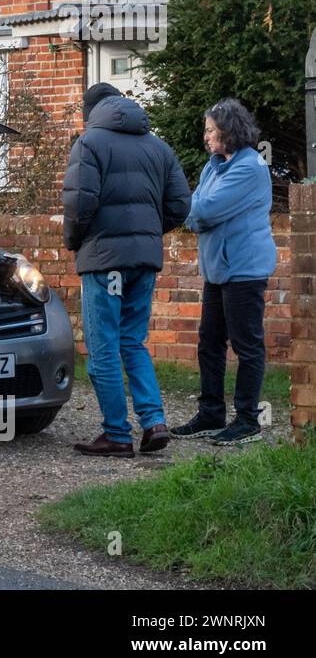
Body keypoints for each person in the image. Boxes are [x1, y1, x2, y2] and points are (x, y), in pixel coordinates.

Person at [63, 82, 191, 457]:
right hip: (143, 261)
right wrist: (146, 234)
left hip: (104, 262)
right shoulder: (159, 146)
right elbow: (180, 204)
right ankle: (154, 422)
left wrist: (75, 242)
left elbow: (79, 204)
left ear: (90, 113)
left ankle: (117, 434)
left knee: (102, 348)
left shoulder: (88, 144)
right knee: (132, 342)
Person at [171, 99, 276, 446]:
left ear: (229, 131)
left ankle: (247, 420)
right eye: (206, 129)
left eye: (211, 130)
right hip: (218, 270)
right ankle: (211, 413)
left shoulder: (250, 167)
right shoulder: (213, 166)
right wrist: (195, 211)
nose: (206, 136)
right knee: (209, 343)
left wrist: (196, 212)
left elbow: (206, 210)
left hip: (244, 269)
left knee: (247, 345)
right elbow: (194, 211)